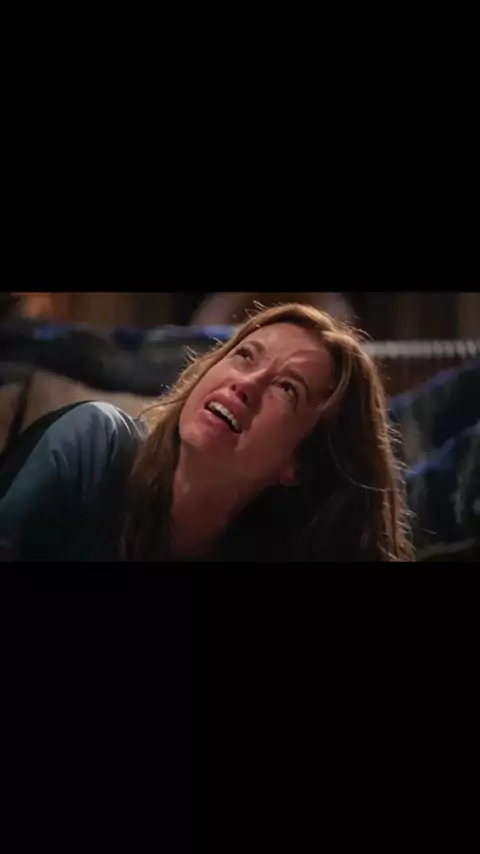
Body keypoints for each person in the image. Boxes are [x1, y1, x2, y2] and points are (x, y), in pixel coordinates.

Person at [0, 303, 413, 562]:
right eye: (245, 355)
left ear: (302, 464)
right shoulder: (91, 446)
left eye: (287, 389)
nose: (246, 384)